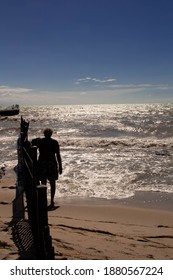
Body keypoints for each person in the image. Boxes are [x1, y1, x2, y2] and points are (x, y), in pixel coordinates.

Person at [32, 128, 62, 209]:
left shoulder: (40, 141)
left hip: (42, 163)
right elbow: (58, 155)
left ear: (44, 134)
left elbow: (32, 145)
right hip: (51, 163)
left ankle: (44, 199)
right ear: (51, 134)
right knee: (52, 183)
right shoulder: (54, 142)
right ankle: (52, 200)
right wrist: (60, 166)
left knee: (43, 182)